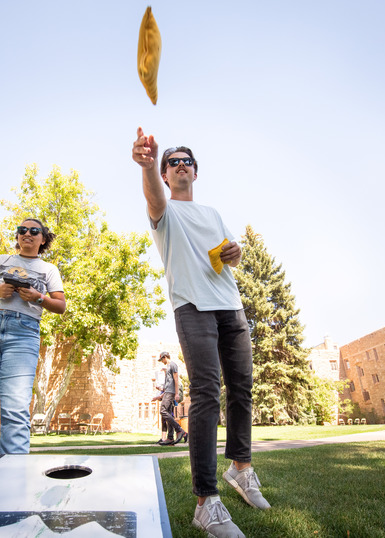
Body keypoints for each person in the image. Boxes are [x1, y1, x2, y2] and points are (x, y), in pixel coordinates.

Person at [133, 127, 269, 538]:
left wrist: (236, 252)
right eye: (170, 162)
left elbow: (231, 253)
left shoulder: (211, 213)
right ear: (165, 173)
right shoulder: (165, 211)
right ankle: (205, 502)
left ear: (196, 171)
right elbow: (153, 196)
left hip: (230, 306)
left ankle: (241, 470)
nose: (179, 166)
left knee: (242, 387)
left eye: (185, 161)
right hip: (192, 306)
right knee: (208, 391)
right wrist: (145, 166)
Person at [0, 218, 66, 475]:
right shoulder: (1, 261)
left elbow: (61, 306)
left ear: (43, 239)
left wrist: (38, 297)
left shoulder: (49, 269)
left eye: (34, 231)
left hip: (24, 334)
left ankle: (11, 483)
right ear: (18, 236)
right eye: (22, 230)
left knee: (16, 411)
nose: (27, 234)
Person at [157, 351, 188, 446]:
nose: (162, 361)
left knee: (163, 411)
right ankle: (170, 438)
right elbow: (168, 383)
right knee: (168, 412)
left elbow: (176, 379)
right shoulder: (168, 367)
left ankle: (179, 430)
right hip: (168, 391)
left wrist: (177, 394)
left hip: (171, 392)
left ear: (165, 357)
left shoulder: (173, 365)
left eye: (162, 359)